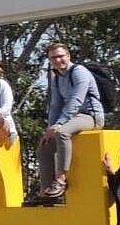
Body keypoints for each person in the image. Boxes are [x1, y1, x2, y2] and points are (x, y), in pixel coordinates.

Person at [35, 43, 104, 199]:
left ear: (68, 56)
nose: (58, 60)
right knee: (44, 146)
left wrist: (59, 124)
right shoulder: (57, 78)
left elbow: (76, 100)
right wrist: (50, 128)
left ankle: (61, 179)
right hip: (73, 117)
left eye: (60, 56)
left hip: (91, 116)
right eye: (53, 57)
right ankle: (45, 192)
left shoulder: (79, 72)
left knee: (63, 133)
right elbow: (55, 104)